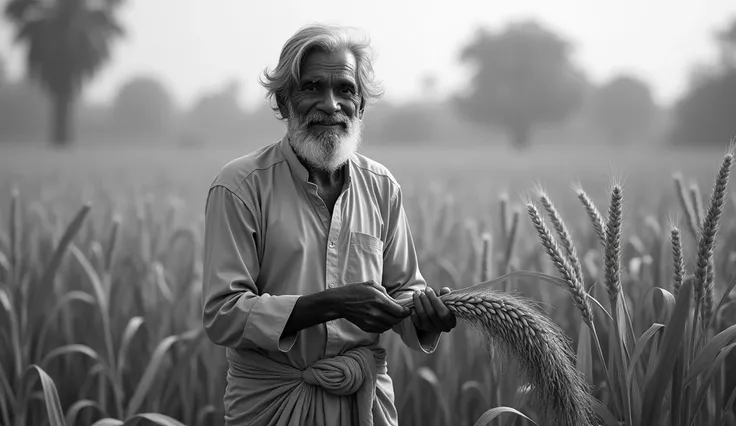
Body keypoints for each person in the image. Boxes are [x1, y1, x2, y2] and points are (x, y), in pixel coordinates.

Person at [201, 23, 457, 426]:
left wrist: (425, 316)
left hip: (364, 401)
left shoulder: (382, 187)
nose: (331, 104)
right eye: (312, 87)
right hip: (272, 402)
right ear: (284, 103)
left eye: (345, 90)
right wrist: (333, 304)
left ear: (361, 107)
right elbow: (223, 313)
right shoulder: (240, 186)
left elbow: (405, 288)